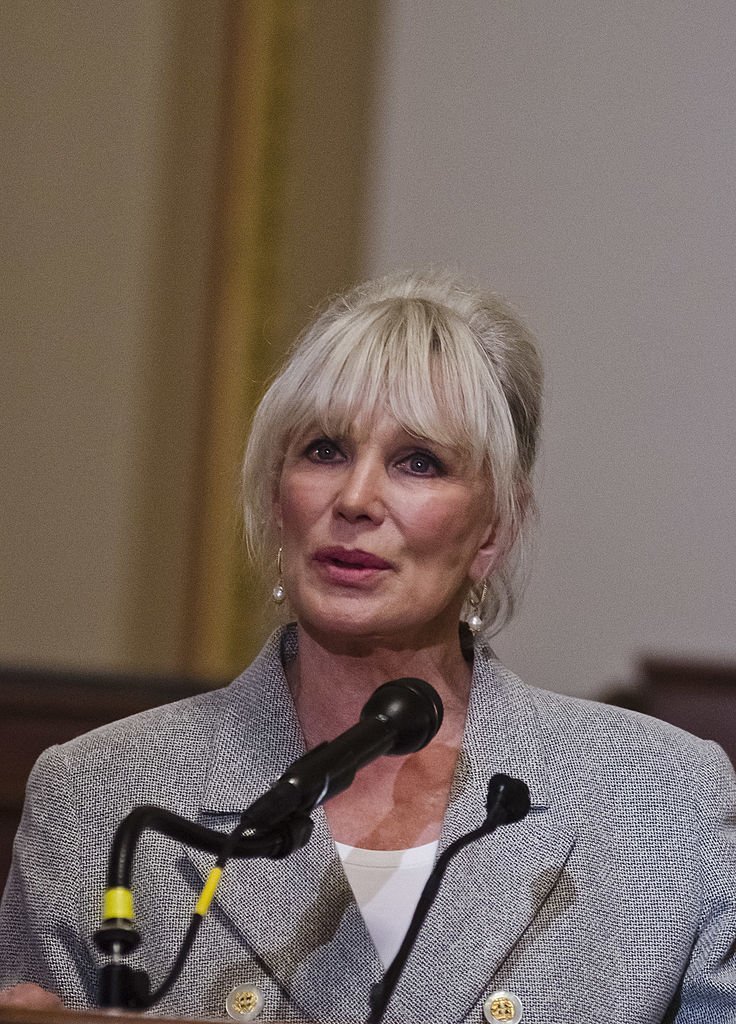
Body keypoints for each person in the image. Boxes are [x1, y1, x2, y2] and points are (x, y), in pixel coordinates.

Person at [1, 269, 735, 1023]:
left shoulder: (665, 801)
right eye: (323, 450)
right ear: (275, 495)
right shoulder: (99, 797)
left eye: (419, 462)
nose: (355, 500)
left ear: (494, 527)